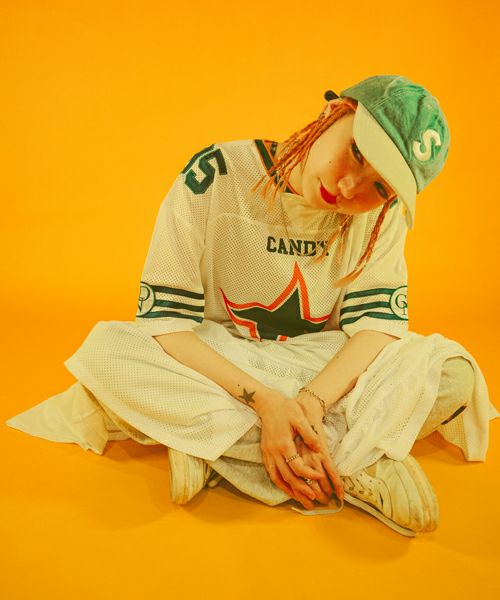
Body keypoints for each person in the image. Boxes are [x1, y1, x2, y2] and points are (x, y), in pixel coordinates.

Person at [6, 74, 497, 537]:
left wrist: (308, 403)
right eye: (357, 151)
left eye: (381, 188)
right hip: (222, 361)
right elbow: (168, 324)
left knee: (454, 373)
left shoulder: (381, 217)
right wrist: (266, 402)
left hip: (319, 373)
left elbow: (375, 329)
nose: (351, 187)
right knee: (109, 351)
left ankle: (212, 447)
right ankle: (352, 462)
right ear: (334, 113)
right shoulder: (216, 174)